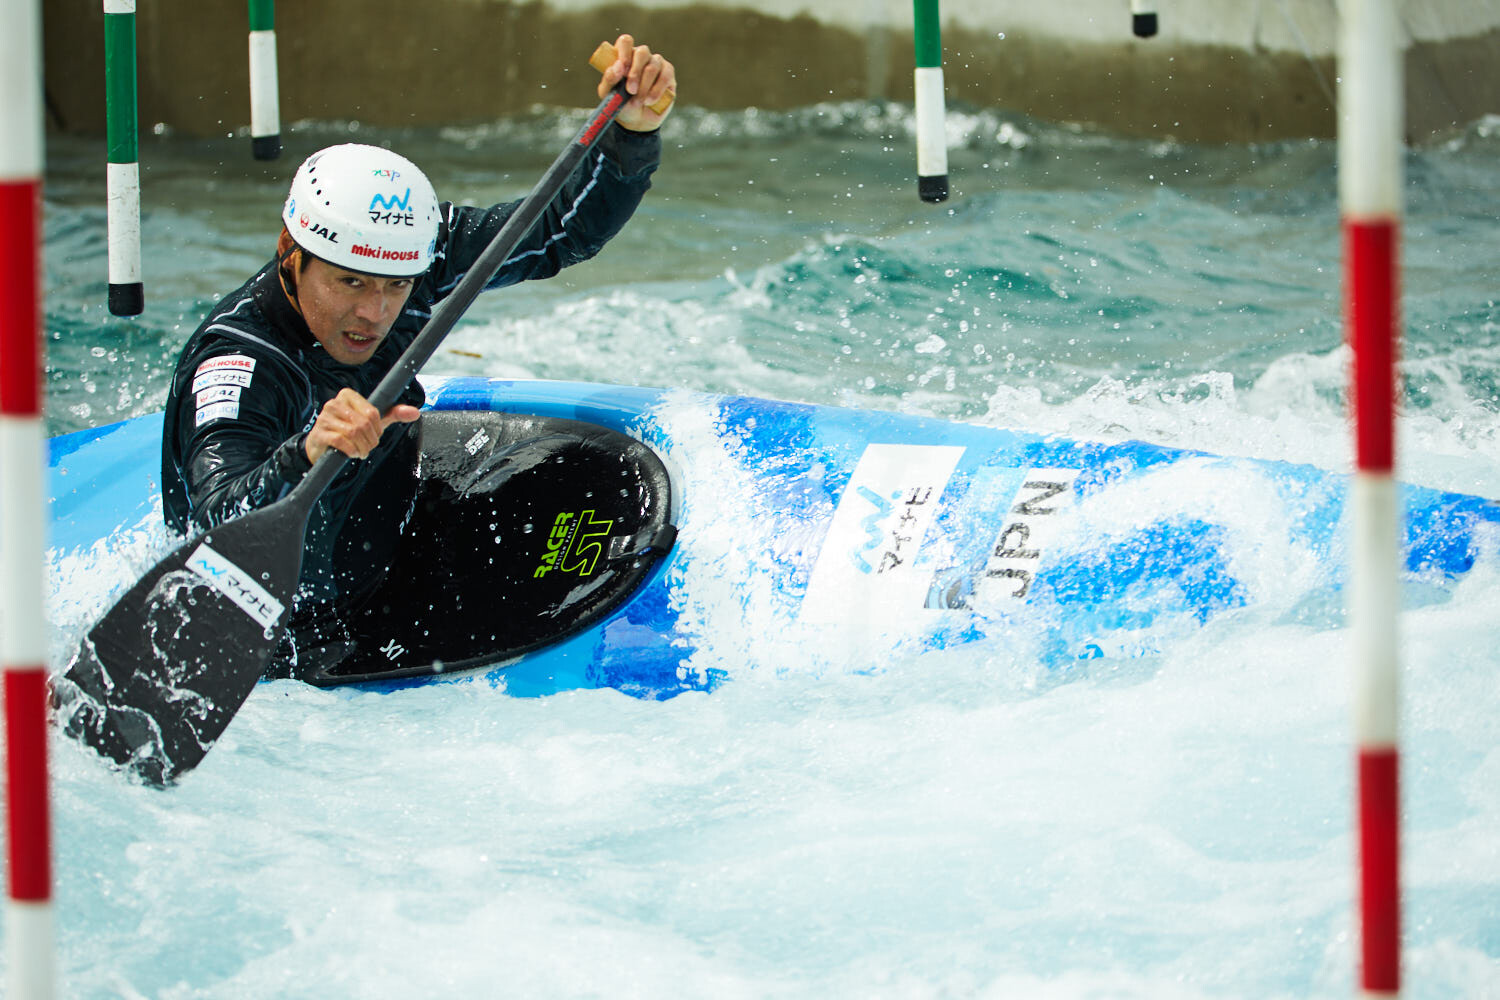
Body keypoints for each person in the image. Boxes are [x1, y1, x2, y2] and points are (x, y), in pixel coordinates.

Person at [160, 35, 676, 678]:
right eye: (350, 284)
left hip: (388, 526)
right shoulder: (239, 366)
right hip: (298, 622)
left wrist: (633, 136)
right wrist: (307, 451)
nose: (375, 313)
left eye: (395, 289)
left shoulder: (407, 252)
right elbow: (215, 522)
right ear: (291, 256)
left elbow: (556, 235)